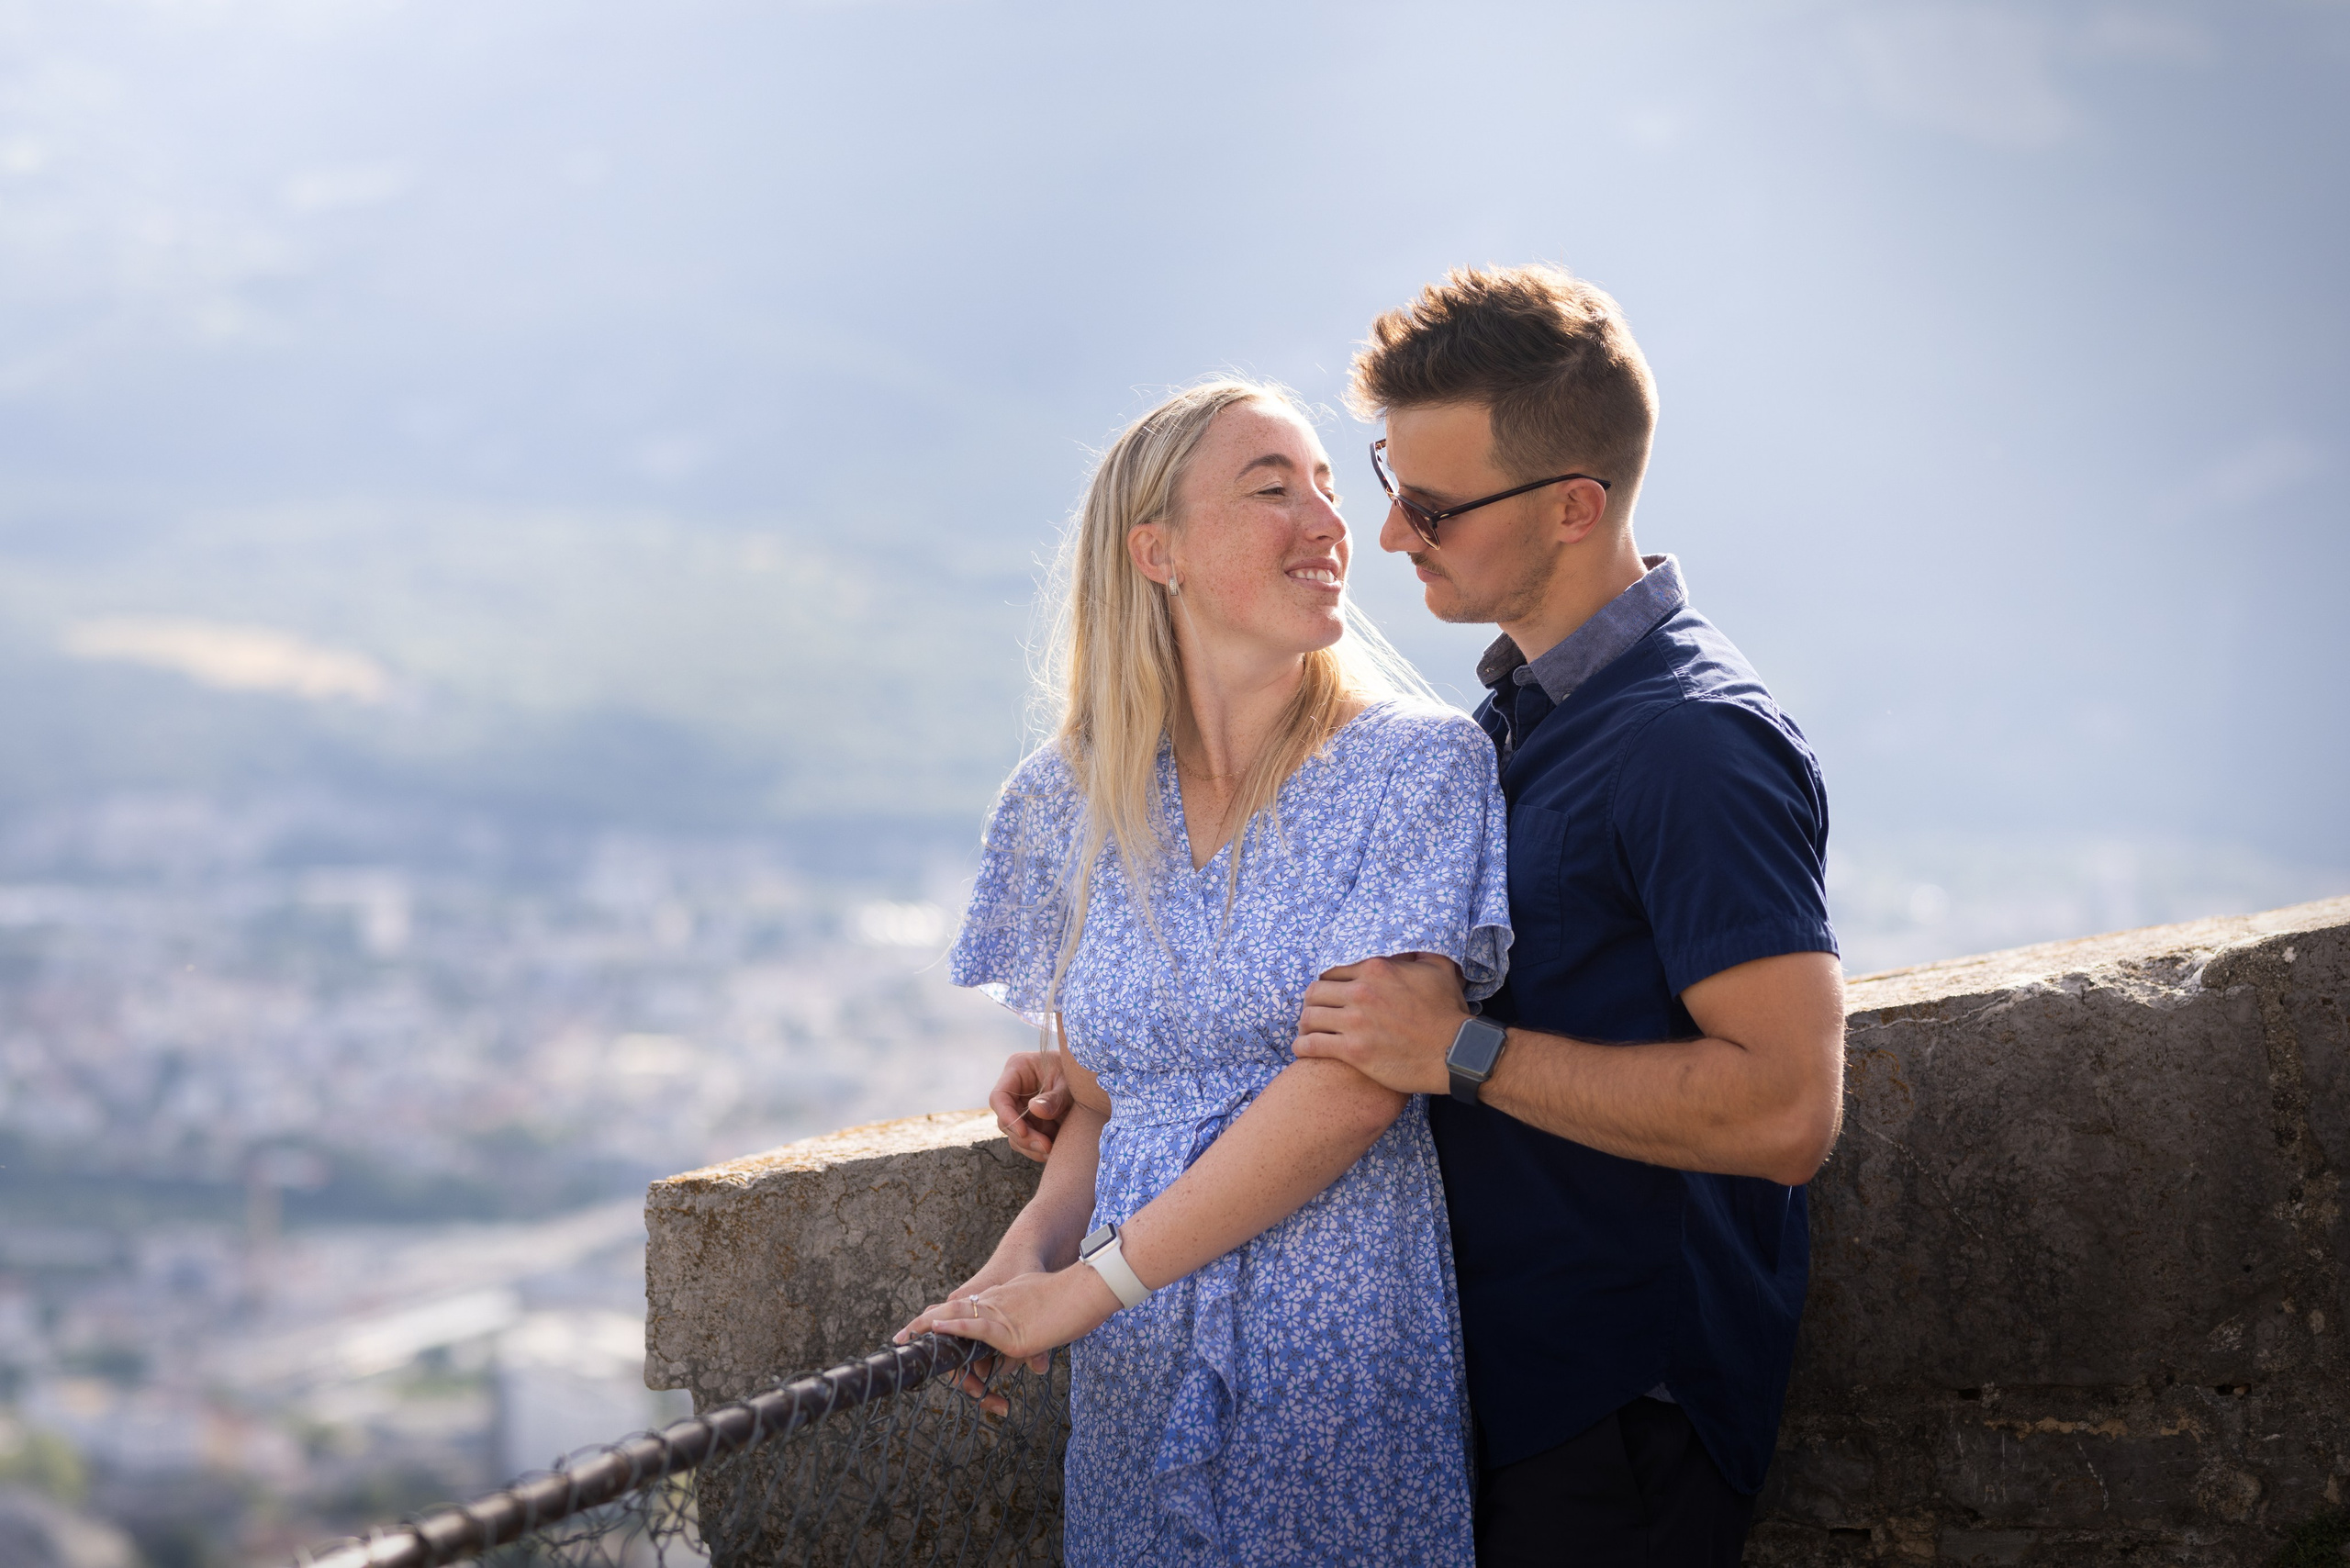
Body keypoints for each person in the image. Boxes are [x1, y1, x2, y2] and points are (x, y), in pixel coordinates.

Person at [992, 267, 1846, 1568]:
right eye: (1389, 486)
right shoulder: (1526, 720)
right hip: (1495, 1380)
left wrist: (1462, 1051)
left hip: (1621, 1400)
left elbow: (1788, 1111)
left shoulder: (1692, 744)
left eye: (1430, 506)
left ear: (1573, 507)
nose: (1387, 535)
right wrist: (1127, 1060)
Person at [898, 378, 1511, 1566]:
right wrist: (1023, 1261)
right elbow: (1103, 1099)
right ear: (1158, 552)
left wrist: (1083, 1292)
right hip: (1133, 1376)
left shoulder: (1418, 767)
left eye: (1329, 490)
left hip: (1335, 1359)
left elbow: (1357, 1086)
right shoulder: (1064, 801)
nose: (1330, 524)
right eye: (1273, 490)